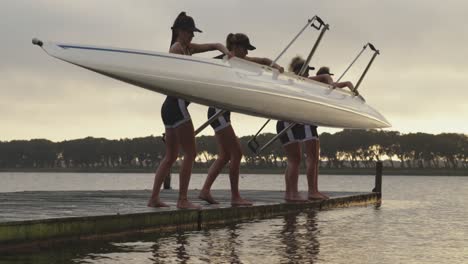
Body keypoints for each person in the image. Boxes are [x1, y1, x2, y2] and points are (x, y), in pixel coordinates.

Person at [148, 12, 232, 209]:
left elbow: (213, 46)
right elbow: (190, 75)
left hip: (169, 107)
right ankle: (182, 200)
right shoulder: (177, 50)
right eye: (189, 32)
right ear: (179, 31)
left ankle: (153, 198)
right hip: (176, 105)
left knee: (170, 156)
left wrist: (225, 52)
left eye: (193, 33)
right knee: (191, 152)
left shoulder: (187, 48)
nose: (192, 37)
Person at [199, 33, 284, 206]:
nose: (246, 53)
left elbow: (265, 60)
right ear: (236, 47)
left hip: (222, 112)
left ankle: (205, 190)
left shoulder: (241, 61)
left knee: (224, 155)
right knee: (237, 152)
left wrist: (277, 67)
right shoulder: (223, 59)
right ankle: (235, 197)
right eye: (245, 49)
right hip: (217, 110)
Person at [278, 56, 354, 201]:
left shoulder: (294, 82)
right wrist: (341, 83)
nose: (308, 74)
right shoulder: (302, 81)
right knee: (310, 158)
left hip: (290, 122)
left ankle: (291, 193)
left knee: (296, 159)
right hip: (303, 122)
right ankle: (311, 191)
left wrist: (345, 85)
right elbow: (325, 76)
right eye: (306, 70)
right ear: (300, 70)